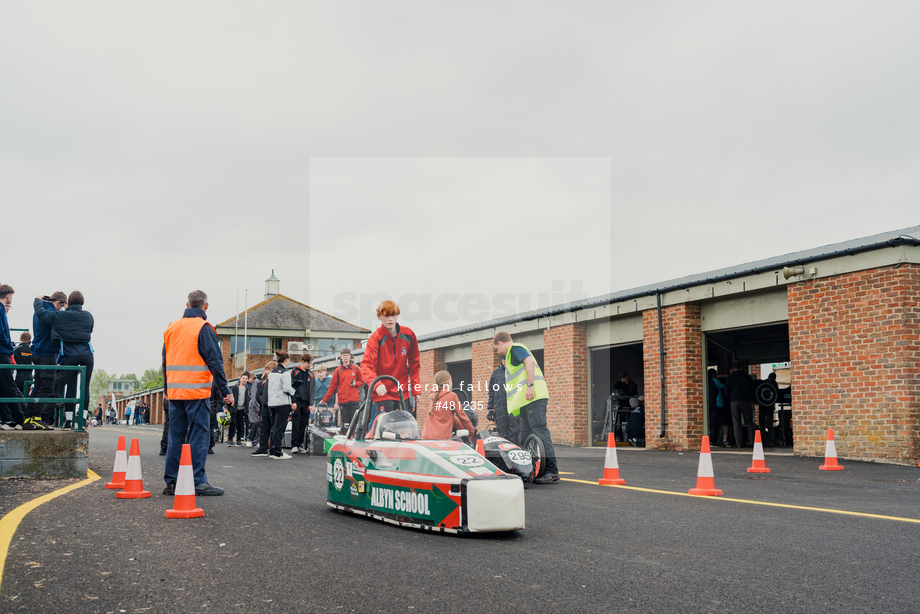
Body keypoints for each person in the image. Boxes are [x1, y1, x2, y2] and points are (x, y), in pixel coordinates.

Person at [161, 290, 232, 497]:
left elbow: (165, 362)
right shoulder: (204, 328)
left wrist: (166, 388)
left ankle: (173, 482)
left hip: (175, 393)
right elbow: (215, 362)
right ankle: (197, 480)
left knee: (176, 436)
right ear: (206, 306)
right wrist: (226, 390)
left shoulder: (171, 328)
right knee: (199, 435)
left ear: (187, 304)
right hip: (197, 391)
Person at [492, 331, 559, 484]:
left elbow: (530, 362)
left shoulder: (515, 348)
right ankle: (528, 469)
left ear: (500, 343)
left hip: (533, 398)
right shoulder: (510, 356)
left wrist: (530, 385)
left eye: (497, 348)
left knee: (540, 431)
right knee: (525, 435)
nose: (498, 352)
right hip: (526, 401)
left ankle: (551, 471)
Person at [33, 290, 94, 429]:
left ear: (68, 302)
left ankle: (68, 421)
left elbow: (41, 314)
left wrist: (38, 300)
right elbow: (90, 330)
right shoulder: (88, 315)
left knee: (70, 387)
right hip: (87, 354)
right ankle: (83, 420)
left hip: (70, 355)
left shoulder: (61, 316)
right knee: (85, 387)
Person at [360, 300, 421, 415]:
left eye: (393, 315)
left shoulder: (408, 335)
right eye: (386, 316)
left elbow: (415, 364)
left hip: (402, 391)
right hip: (383, 392)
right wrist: (377, 384)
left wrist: (416, 388)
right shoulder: (375, 338)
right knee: (386, 428)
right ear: (379, 316)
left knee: (405, 427)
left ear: (397, 315)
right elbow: (366, 366)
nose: (390, 319)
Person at [29, 292, 66, 429]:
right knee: (46, 388)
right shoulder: (50, 314)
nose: (62, 309)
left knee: (38, 387)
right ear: (58, 302)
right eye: (62, 306)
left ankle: (29, 418)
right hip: (47, 353)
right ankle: (38, 418)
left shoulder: (39, 311)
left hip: (37, 352)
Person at [422, 371, 474, 440]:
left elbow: (452, 417)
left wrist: (463, 429)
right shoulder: (452, 396)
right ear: (449, 383)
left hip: (426, 437)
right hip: (441, 439)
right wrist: (472, 432)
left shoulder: (434, 395)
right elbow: (462, 417)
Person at [0, 285, 25, 430]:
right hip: (2, 353)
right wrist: (9, 346)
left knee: (3, 387)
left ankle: (7, 420)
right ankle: (19, 420)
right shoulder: (1, 309)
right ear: (8, 296)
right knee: (10, 386)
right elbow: (2, 333)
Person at [322, 348, 364, 429]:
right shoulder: (338, 370)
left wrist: (355, 384)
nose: (345, 357)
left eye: (347, 355)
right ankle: (345, 438)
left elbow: (361, 382)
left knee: (354, 423)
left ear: (350, 356)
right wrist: (324, 399)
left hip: (354, 400)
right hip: (343, 401)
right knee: (345, 424)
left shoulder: (356, 369)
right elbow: (332, 387)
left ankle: (353, 439)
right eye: (344, 355)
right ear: (341, 357)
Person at [265, 350, 295, 460]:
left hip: (272, 403)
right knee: (279, 428)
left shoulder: (272, 373)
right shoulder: (285, 373)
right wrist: (294, 391)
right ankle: (278, 452)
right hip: (282, 403)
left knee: (273, 428)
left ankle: (272, 450)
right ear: (286, 360)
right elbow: (287, 388)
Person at [487, 357, 519, 443]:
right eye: (503, 361)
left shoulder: (515, 371)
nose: (505, 363)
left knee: (514, 431)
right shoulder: (495, 373)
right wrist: (490, 408)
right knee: (502, 433)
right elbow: (491, 391)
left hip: (513, 406)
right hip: (500, 407)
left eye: (506, 361)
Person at [726, 360, 756, 448]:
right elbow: (752, 389)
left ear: (733, 368)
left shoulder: (730, 377)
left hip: (734, 401)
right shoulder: (747, 377)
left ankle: (738, 443)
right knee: (749, 421)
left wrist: (730, 397)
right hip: (746, 401)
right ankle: (752, 441)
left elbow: (726, 390)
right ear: (741, 368)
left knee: (736, 422)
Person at [250, 361, 277, 457]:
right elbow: (258, 395)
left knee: (274, 429)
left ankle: (273, 448)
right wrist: (263, 402)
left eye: (271, 370)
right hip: (264, 408)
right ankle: (263, 448)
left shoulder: (276, 381)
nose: (269, 372)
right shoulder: (262, 382)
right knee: (264, 428)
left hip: (274, 407)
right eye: (267, 370)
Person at [290, 355, 314, 454]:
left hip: (306, 403)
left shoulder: (311, 374)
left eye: (311, 363)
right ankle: (294, 445)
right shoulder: (295, 371)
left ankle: (300, 445)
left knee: (303, 424)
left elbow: (313, 390)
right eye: (308, 363)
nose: (309, 365)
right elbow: (291, 387)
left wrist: (311, 403)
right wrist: (293, 401)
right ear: (303, 361)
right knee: (296, 423)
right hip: (297, 401)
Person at [227, 372, 251, 447]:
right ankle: (230, 439)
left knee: (240, 424)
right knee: (233, 423)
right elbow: (229, 397)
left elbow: (248, 400)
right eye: (243, 378)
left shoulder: (248, 389)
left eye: (246, 379)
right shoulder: (234, 387)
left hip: (242, 409)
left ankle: (238, 440)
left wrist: (247, 410)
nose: (245, 380)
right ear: (240, 379)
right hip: (234, 408)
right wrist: (227, 407)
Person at [708, 369, 730, 447]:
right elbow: (723, 386)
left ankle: (710, 439)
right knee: (715, 423)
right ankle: (713, 441)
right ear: (714, 375)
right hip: (717, 404)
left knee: (710, 422)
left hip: (709, 404)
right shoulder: (715, 380)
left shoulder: (706, 381)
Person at [759, 372, 779, 447]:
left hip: (762, 405)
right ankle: (770, 441)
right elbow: (776, 394)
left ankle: (763, 440)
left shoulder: (763, 383)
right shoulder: (775, 384)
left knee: (762, 424)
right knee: (770, 424)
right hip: (770, 406)